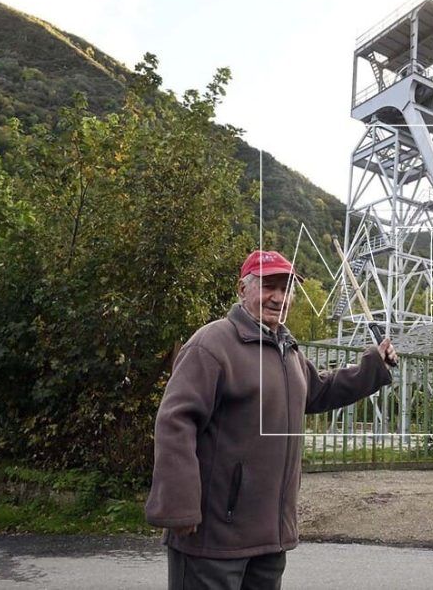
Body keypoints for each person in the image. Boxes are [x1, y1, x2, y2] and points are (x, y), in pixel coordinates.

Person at [145, 249, 397, 590]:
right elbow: (175, 421)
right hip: (214, 537)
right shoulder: (212, 344)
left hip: (269, 537)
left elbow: (319, 391)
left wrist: (374, 366)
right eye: (269, 286)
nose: (279, 297)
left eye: (286, 289)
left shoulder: (287, 350)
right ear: (242, 289)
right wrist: (179, 505)